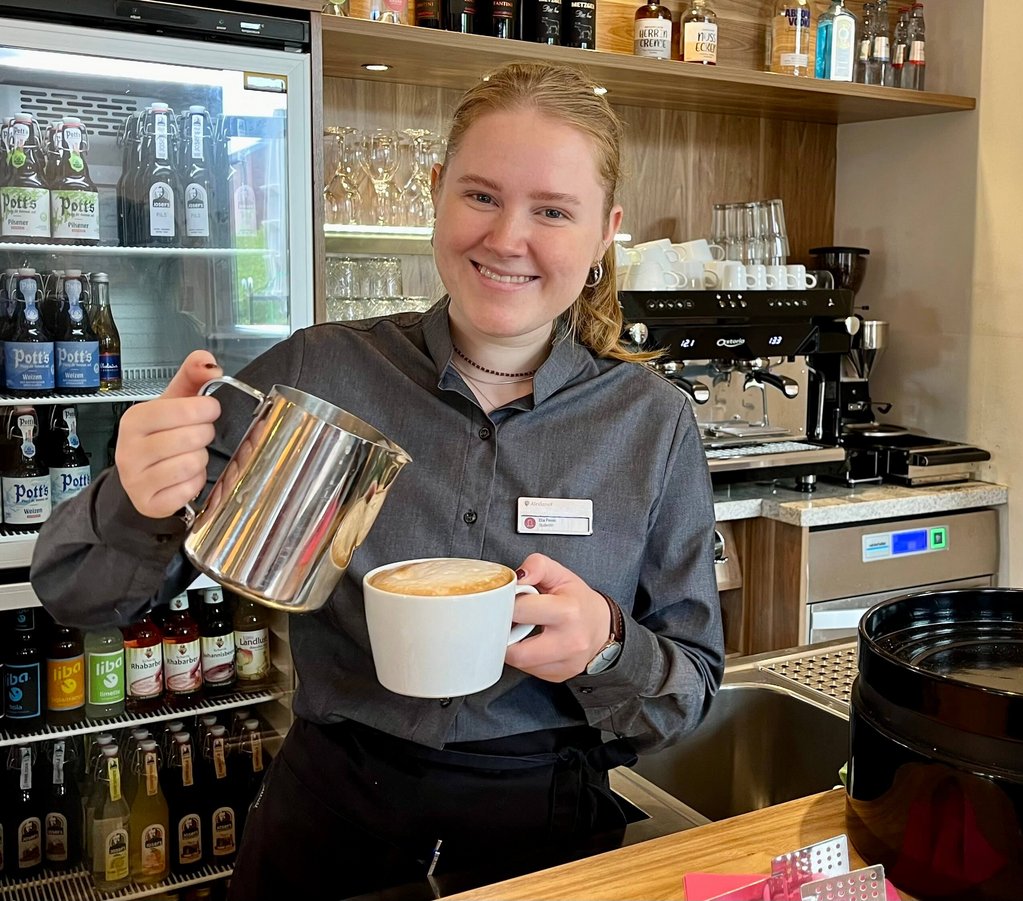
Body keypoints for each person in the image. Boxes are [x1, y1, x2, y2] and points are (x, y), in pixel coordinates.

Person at [31, 61, 723, 900]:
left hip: (547, 842)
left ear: (605, 229)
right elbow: (75, 592)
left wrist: (608, 642)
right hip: (327, 828)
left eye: (552, 211)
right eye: (480, 196)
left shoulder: (650, 423)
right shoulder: (323, 372)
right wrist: (137, 499)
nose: (508, 238)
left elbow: (686, 694)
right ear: (435, 192)